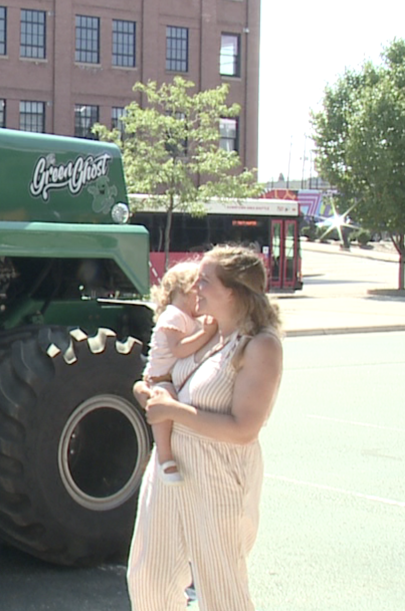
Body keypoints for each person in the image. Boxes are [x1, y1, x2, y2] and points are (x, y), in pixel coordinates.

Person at [128, 245, 284, 611]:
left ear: (232, 290)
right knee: (149, 577)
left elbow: (244, 428)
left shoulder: (260, 346)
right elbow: (167, 379)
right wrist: (147, 392)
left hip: (218, 475)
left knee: (221, 588)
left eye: (205, 280)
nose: (195, 286)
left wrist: (173, 411)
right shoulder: (206, 334)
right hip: (169, 474)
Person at [141, 262, 219, 485]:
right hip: (160, 378)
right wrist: (205, 333)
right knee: (165, 408)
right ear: (187, 291)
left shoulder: (187, 318)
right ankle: (165, 459)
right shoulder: (173, 315)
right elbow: (179, 348)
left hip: (170, 377)